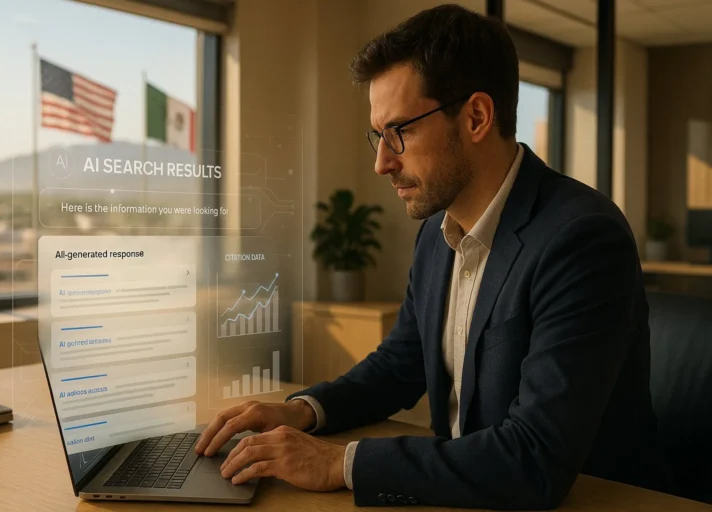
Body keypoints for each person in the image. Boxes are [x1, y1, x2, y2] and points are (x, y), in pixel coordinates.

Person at [194, 4, 663, 508]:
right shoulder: (438, 234)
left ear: (477, 117)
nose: (381, 162)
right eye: (378, 135)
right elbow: (399, 366)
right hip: (461, 494)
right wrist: (304, 411)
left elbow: (534, 458)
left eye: (400, 131)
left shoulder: (581, 239)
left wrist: (338, 462)